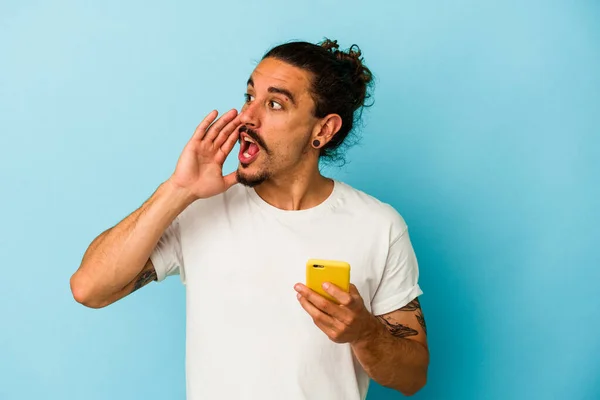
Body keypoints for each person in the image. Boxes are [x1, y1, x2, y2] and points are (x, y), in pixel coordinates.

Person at [70, 38, 429, 399]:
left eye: (274, 104)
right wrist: (178, 190)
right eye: (249, 96)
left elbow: (412, 377)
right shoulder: (201, 209)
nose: (247, 117)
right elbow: (89, 289)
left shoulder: (379, 226)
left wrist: (365, 332)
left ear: (323, 130)